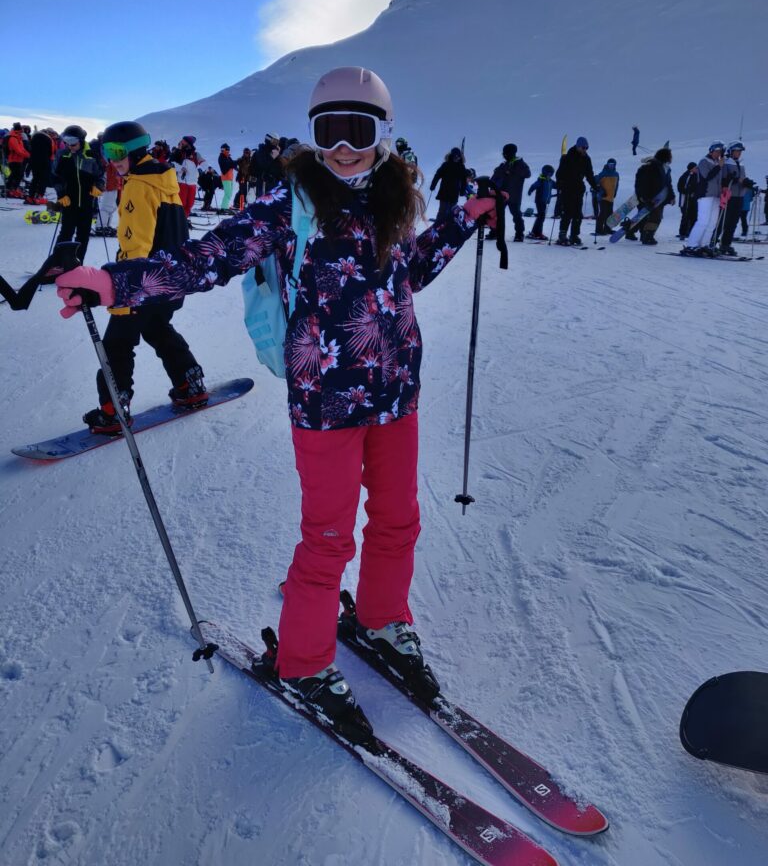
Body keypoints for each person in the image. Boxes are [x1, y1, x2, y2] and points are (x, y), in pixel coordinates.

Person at [54, 67, 499, 732]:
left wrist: (464, 219)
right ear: (312, 135)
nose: (343, 148)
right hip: (325, 401)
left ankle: (382, 619)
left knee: (398, 520)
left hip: (396, 392)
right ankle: (303, 662)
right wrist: (114, 282)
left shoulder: (394, 201)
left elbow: (411, 272)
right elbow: (206, 259)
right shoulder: (288, 205)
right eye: (328, 131)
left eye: (358, 130)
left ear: (383, 134)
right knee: (328, 538)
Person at [72, 121, 208, 433]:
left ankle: (112, 409)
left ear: (135, 150)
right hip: (172, 277)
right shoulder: (164, 179)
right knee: (158, 328)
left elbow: (136, 246)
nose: (113, 160)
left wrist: (122, 288)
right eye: (107, 152)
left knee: (117, 344)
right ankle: (189, 383)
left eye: (117, 152)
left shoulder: (138, 186)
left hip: (143, 282)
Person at [52, 125, 103, 258]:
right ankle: (57, 262)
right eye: (66, 142)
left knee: (83, 235)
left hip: (87, 202)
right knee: (66, 233)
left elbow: (100, 175)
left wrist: (98, 186)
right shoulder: (63, 155)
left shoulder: (91, 155)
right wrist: (61, 194)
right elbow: (56, 177)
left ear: (81, 140)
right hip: (69, 201)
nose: (70, 146)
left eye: (73, 143)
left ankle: (78, 263)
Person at [682, 143, 727, 257]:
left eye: (720, 152)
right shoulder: (704, 161)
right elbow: (707, 176)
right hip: (705, 194)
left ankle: (704, 244)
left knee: (712, 223)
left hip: (716, 195)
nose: (718, 154)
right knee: (703, 221)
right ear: (711, 150)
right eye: (716, 151)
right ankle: (691, 245)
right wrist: (719, 167)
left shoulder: (718, 163)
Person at [555, 137, 595, 246]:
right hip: (567, 188)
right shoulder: (567, 157)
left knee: (578, 214)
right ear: (577, 146)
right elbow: (559, 173)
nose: (585, 150)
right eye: (583, 147)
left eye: (586, 148)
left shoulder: (586, 159)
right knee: (567, 212)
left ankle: (574, 235)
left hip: (578, 189)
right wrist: (559, 183)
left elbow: (589, 174)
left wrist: (596, 187)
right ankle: (562, 235)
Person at [634, 148, 675, 245]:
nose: (671, 158)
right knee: (653, 217)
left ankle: (646, 235)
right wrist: (645, 197)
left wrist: (672, 196)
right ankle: (647, 236)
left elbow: (668, 184)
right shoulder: (650, 167)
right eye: (670, 156)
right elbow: (642, 183)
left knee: (655, 217)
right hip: (650, 197)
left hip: (660, 198)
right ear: (665, 156)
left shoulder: (666, 168)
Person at [490, 143, 531, 242]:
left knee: (516, 215)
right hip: (501, 195)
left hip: (514, 195)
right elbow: (494, 177)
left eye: (506, 153)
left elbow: (527, 174)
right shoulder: (503, 165)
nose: (504, 155)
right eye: (504, 153)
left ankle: (519, 234)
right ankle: (494, 232)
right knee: (497, 214)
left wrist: (512, 170)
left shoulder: (520, 163)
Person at [717, 142, 748, 256]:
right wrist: (732, 180)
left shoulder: (741, 163)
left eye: (740, 151)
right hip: (729, 195)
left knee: (733, 222)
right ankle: (712, 242)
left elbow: (742, 178)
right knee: (723, 220)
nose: (739, 153)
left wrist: (747, 183)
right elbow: (723, 178)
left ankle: (726, 244)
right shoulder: (726, 162)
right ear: (730, 151)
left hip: (739, 196)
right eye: (737, 151)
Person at [429, 146, 468, 222]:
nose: (456, 157)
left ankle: (447, 226)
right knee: (442, 211)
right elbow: (437, 175)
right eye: (455, 156)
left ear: (460, 157)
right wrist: (433, 185)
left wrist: (462, 191)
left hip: (454, 193)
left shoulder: (461, 167)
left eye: (458, 156)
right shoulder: (446, 165)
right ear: (451, 156)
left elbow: (464, 180)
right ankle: (437, 225)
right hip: (444, 192)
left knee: (451, 212)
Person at [27, 128, 56, 204]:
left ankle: (30, 196)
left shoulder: (34, 138)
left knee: (35, 179)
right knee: (43, 179)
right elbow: (51, 152)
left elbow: (30, 149)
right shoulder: (48, 139)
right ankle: (39, 196)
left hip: (34, 161)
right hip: (44, 161)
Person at [526, 165, 555, 239]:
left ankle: (535, 232)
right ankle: (536, 233)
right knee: (541, 216)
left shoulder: (550, 181)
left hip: (545, 201)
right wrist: (530, 191)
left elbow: (557, 186)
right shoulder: (541, 180)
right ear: (545, 173)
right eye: (549, 174)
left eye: (551, 174)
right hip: (539, 200)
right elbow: (534, 186)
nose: (550, 175)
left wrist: (562, 186)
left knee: (541, 216)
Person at [593, 158, 620, 235]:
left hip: (611, 197)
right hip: (603, 197)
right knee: (603, 213)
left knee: (610, 214)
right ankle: (599, 230)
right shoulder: (602, 174)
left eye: (612, 165)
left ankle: (607, 229)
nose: (611, 166)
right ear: (607, 164)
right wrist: (602, 192)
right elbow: (597, 184)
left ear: (615, 165)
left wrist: (615, 193)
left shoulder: (616, 174)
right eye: (609, 164)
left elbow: (616, 184)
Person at [6, 122, 29, 197]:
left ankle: (13, 189)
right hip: (13, 160)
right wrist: (27, 155)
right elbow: (18, 150)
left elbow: (22, 149)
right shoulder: (13, 138)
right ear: (19, 130)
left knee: (17, 175)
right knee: (15, 175)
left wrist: (28, 154)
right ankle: (10, 189)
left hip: (18, 160)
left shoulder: (18, 138)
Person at [677, 162, 698, 240]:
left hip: (694, 199)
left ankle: (691, 232)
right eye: (695, 168)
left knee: (694, 216)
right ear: (691, 168)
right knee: (685, 215)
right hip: (685, 199)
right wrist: (687, 192)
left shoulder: (697, 176)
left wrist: (695, 193)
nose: (697, 169)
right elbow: (680, 187)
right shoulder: (685, 176)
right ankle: (682, 232)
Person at [218, 143, 237, 213]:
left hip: (230, 178)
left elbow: (233, 164)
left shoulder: (228, 157)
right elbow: (225, 167)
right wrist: (232, 164)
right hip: (226, 178)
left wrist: (236, 165)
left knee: (229, 193)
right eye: (227, 149)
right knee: (228, 193)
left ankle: (225, 207)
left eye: (228, 149)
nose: (228, 151)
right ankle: (224, 208)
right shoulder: (221, 157)